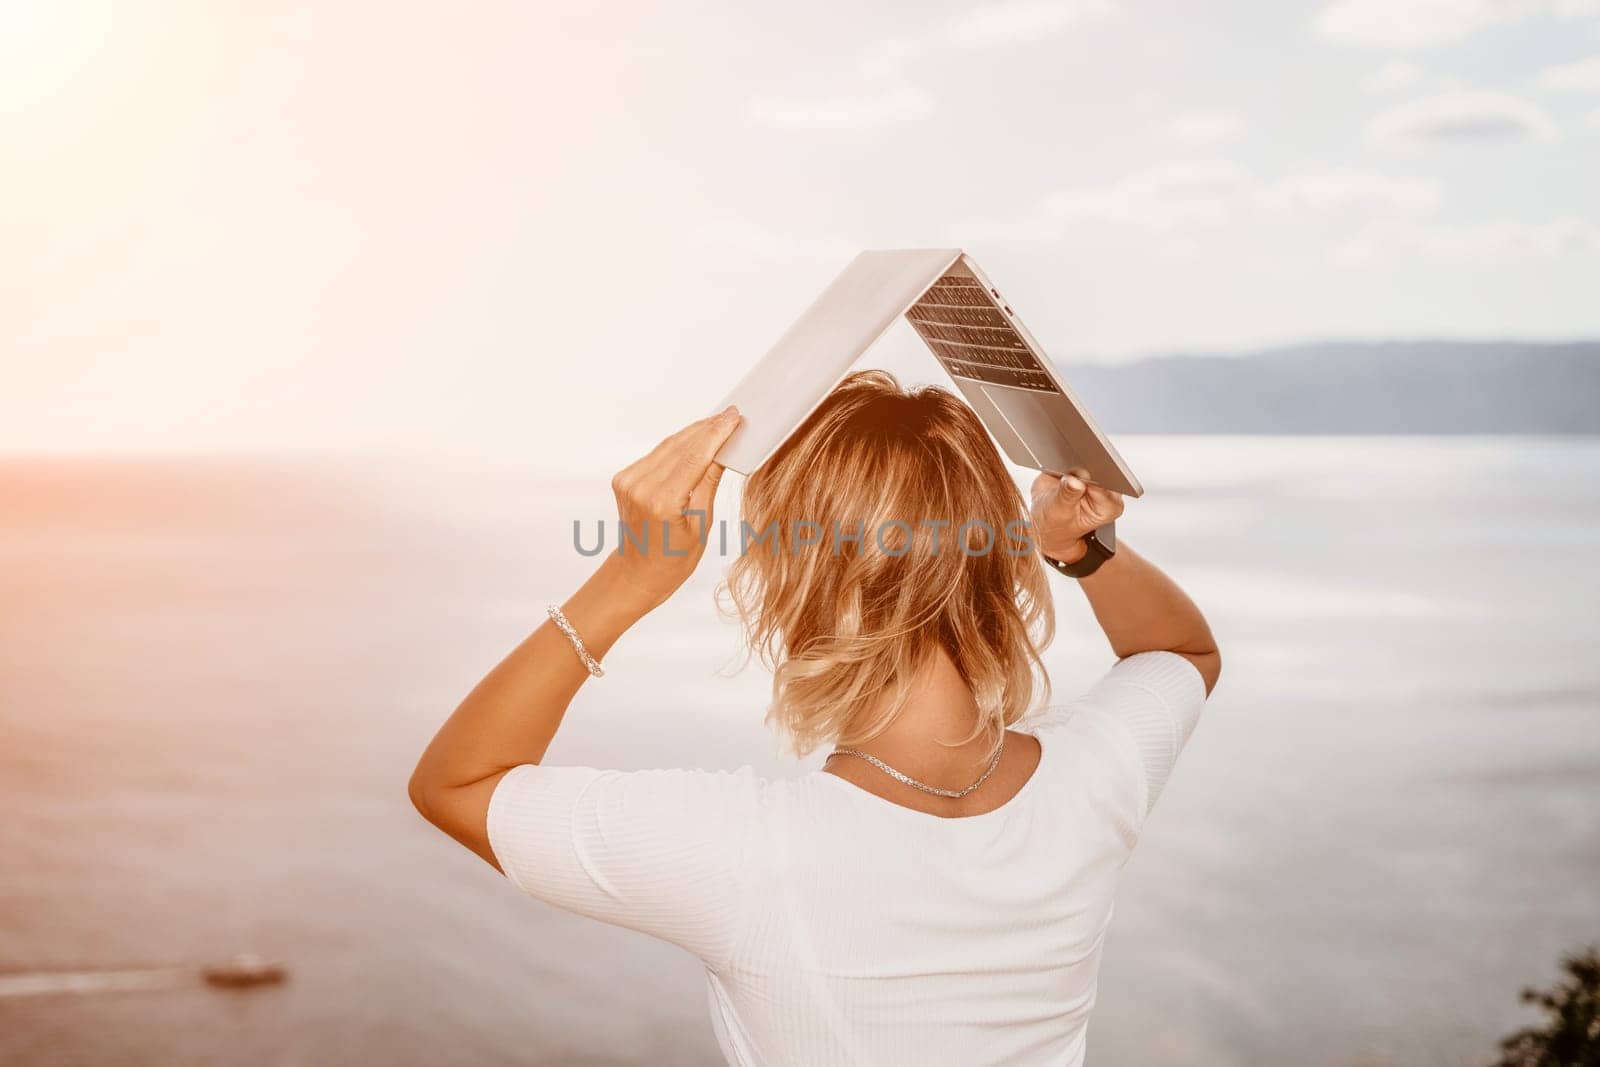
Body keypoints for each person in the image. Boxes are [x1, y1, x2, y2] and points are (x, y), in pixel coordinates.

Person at [409, 370, 1221, 1065]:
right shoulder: (1095, 780)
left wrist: (630, 577)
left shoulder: (742, 854)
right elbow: (1182, 655)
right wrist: (1079, 548)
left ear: (798, 578)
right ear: (995, 554)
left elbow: (456, 782)